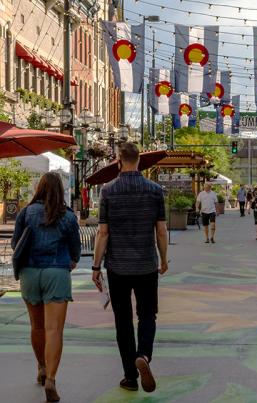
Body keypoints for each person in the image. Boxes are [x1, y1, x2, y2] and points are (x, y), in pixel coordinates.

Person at [92, 143, 169, 394]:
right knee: (148, 315)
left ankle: (130, 376)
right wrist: (164, 259)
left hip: (117, 267)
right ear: (139, 161)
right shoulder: (155, 190)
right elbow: (160, 230)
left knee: (122, 321)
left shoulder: (108, 191)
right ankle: (144, 355)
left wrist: (95, 266)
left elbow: (103, 233)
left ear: (118, 160)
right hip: (146, 264)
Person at [11, 172, 81, 402]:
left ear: (39, 188)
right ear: (60, 191)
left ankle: (41, 366)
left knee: (36, 326)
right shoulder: (68, 216)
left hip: (29, 273)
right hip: (57, 273)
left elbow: (15, 244)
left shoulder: (25, 213)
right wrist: (69, 261)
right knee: (54, 330)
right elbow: (75, 250)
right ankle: (51, 379)